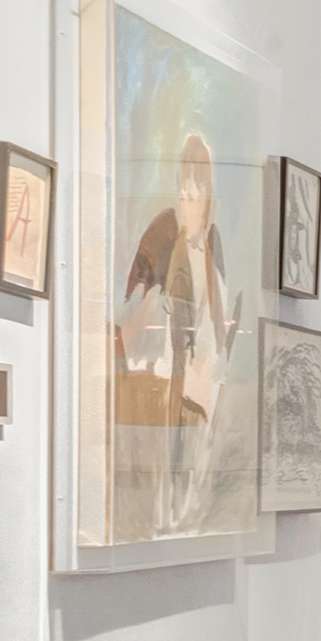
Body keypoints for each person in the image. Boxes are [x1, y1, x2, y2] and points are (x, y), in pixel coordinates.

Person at [115, 129, 237, 532]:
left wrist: (217, 359)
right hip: (169, 371)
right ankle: (166, 519)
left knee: (199, 454)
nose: (188, 204)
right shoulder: (166, 232)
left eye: (196, 194)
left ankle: (186, 520)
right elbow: (135, 306)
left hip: (205, 373)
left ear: (208, 198)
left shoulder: (214, 245)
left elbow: (220, 317)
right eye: (183, 193)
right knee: (169, 454)